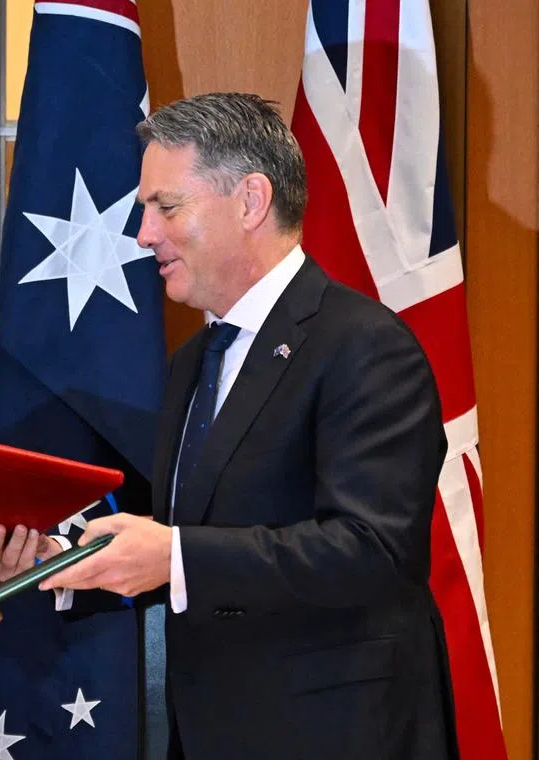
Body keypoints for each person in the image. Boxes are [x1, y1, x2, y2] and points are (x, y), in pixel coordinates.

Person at [37, 93, 458, 759]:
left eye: (165, 207)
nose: (143, 234)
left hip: (337, 736)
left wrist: (173, 556)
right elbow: (196, 523)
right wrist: (63, 561)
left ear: (250, 201)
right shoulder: (193, 362)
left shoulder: (364, 346)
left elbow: (372, 549)